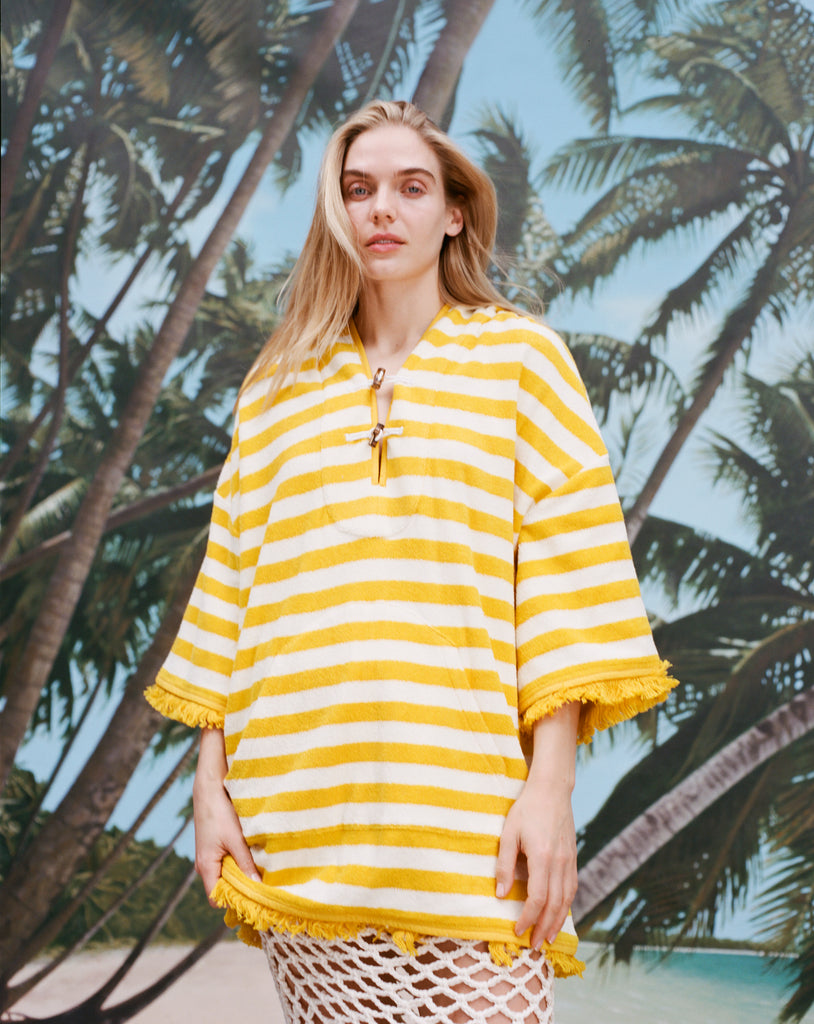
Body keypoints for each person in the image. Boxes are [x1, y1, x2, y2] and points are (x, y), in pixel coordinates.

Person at [145, 99, 676, 1023]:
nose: (381, 209)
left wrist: (548, 793)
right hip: (297, 816)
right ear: (335, 212)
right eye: (358, 190)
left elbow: (568, 583)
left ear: (455, 211)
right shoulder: (277, 388)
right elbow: (232, 585)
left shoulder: (521, 360)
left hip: (469, 825)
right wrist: (209, 784)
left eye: (410, 187)